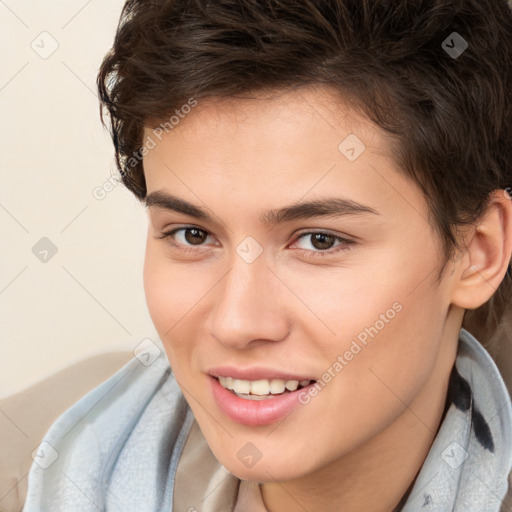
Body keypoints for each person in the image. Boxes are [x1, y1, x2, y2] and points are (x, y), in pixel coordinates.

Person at [23, 1, 512, 511]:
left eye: (319, 241)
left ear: (479, 252)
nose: (236, 323)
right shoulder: (31, 467)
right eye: (192, 234)